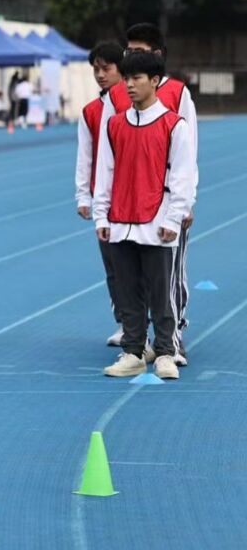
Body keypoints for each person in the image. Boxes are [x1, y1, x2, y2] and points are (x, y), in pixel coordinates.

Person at [94, 51, 196, 380]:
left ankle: (166, 351)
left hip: (158, 222)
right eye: (126, 79)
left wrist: (173, 219)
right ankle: (134, 351)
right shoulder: (114, 125)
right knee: (128, 292)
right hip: (121, 220)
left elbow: (182, 175)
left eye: (137, 79)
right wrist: (101, 217)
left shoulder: (173, 125)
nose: (129, 85)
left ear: (155, 81)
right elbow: (105, 173)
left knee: (160, 292)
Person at [75, 41, 125, 347]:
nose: (100, 75)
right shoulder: (91, 112)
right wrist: (84, 195)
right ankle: (124, 322)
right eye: (96, 69)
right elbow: (86, 155)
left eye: (107, 69)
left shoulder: (138, 108)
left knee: (144, 267)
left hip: (138, 199)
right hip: (105, 202)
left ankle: (157, 325)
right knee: (114, 267)